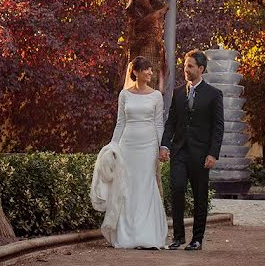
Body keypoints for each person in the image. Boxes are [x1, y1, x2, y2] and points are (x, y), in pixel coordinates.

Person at [94, 56, 168, 249]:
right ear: (135, 72)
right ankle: (127, 234)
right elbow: (121, 123)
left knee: (145, 185)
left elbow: (159, 123)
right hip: (128, 145)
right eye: (147, 70)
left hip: (148, 146)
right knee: (127, 186)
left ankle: (147, 234)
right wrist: (112, 147)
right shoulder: (124, 95)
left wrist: (161, 147)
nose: (151, 73)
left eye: (152, 70)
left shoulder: (156, 96)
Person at [159, 50, 224, 251]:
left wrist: (213, 153)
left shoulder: (214, 94)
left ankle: (197, 239)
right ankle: (178, 237)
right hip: (179, 153)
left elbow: (218, 127)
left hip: (202, 155)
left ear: (201, 69)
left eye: (190, 66)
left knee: (200, 197)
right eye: (185, 66)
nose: (186, 70)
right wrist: (164, 145)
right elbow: (171, 122)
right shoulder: (178, 93)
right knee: (177, 190)